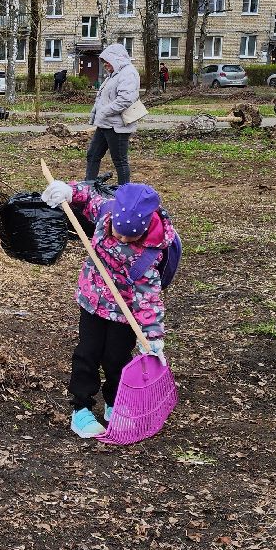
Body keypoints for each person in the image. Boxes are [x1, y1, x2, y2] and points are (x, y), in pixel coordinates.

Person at [42, 178, 177, 438]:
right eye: (119, 231)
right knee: (88, 353)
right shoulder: (107, 211)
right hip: (93, 301)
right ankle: (81, 409)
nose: (123, 237)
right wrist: (69, 191)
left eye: (131, 235)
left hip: (125, 313)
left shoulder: (148, 256)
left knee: (117, 359)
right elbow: (88, 197)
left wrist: (153, 337)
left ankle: (115, 405)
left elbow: (149, 300)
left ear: (147, 226)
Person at [83, 42, 140, 184]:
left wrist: (103, 111)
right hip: (105, 124)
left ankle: (125, 194)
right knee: (93, 155)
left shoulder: (129, 73)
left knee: (120, 161)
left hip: (118, 127)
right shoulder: (114, 75)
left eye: (107, 62)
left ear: (117, 59)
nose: (105, 65)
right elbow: (104, 97)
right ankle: (89, 188)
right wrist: (97, 114)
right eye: (104, 63)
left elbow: (125, 100)